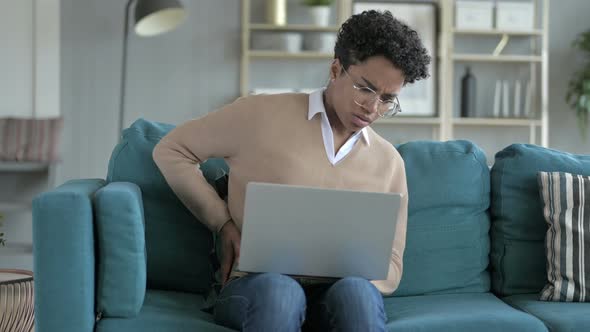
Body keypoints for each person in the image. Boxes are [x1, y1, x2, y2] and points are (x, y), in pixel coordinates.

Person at [153, 9, 430, 332]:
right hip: (257, 288)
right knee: (281, 293)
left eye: (387, 100)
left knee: (357, 295)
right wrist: (222, 222)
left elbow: (392, 267)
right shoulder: (259, 114)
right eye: (365, 89)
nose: (372, 108)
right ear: (336, 69)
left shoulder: (388, 163)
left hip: (336, 297)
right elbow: (171, 150)